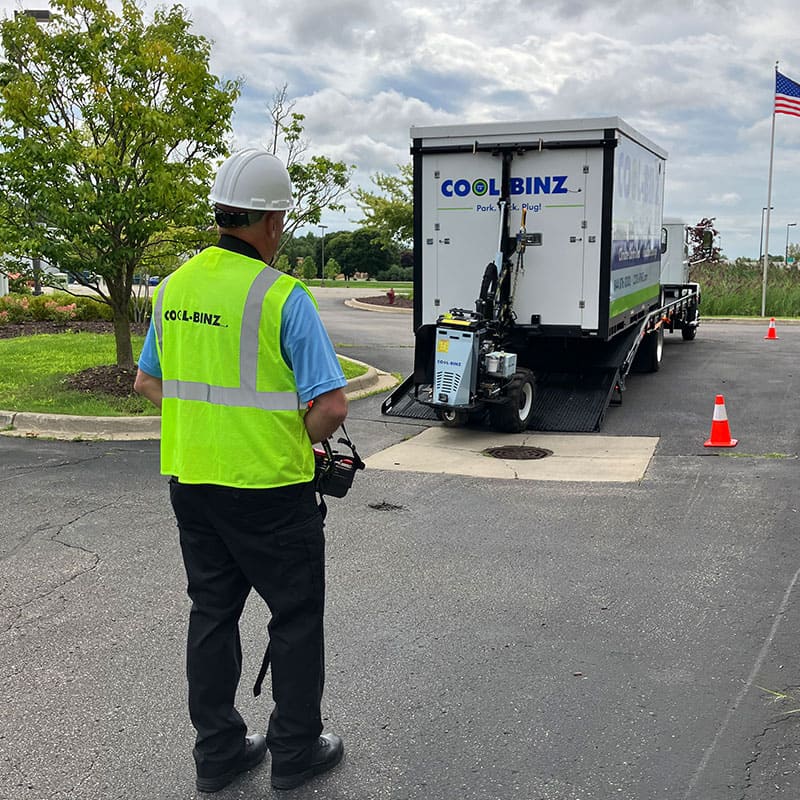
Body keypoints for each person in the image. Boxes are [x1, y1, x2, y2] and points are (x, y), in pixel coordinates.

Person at [134, 148, 348, 793]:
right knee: (295, 616)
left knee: (212, 613)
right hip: (270, 491)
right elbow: (331, 405)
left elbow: (149, 383)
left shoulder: (172, 288)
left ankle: (219, 753)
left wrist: (213, 427)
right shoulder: (282, 294)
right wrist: (298, 443)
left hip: (193, 484)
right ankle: (294, 751)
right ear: (271, 221)